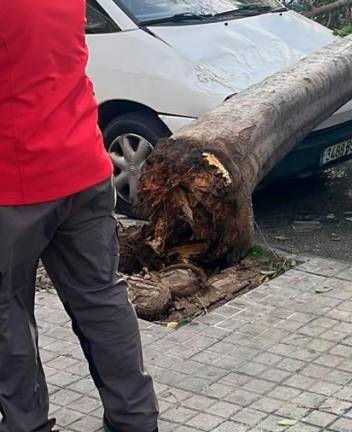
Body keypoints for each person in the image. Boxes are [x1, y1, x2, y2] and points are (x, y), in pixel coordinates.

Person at [0, 2, 159, 431]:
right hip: (82, 166)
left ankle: (25, 424)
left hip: (14, 183)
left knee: (6, 313)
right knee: (101, 299)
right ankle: (135, 419)